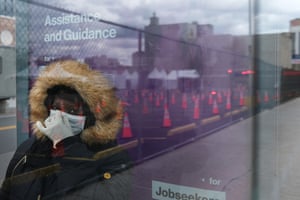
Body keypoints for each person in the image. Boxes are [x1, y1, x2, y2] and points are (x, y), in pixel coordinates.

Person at [0, 60, 133, 199]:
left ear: (90, 115)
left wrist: (70, 150)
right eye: (56, 108)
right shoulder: (29, 150)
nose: (60, 115)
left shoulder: (114, 159)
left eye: (71, 110)